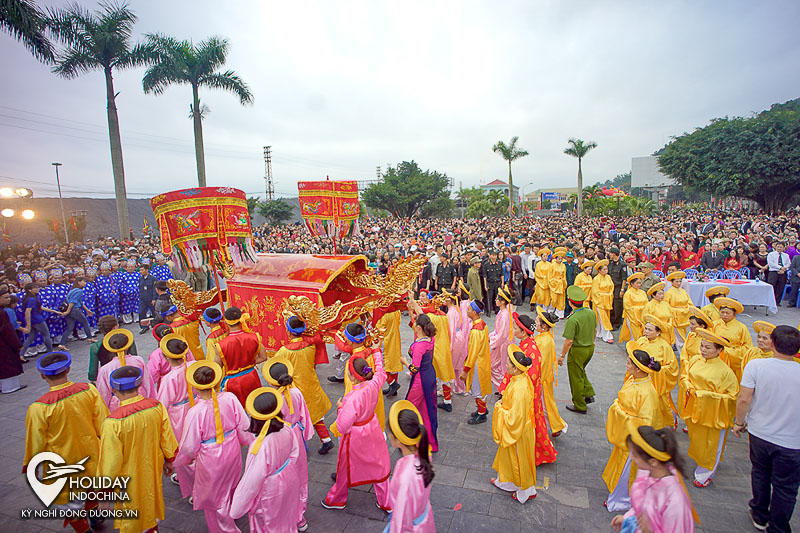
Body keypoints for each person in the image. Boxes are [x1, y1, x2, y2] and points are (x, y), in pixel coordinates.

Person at [23, 352, 108, 532]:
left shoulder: (38, 408)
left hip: (62, 463)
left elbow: (36, 441)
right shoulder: (89, 390)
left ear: (43, 376)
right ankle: (95, 518)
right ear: (68, 369)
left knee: (71, 501)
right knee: (91, 487)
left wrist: (32, 464)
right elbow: (103, 423)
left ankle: (83, 528)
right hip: (92, 452)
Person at [734, 325, 800, 533]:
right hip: (792, 440)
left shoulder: (756, 366)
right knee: (786, 488)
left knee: (760, 473)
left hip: (760, 433)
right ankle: (778, 526)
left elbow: (744, 398)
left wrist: (738, 422)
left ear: (772, 344)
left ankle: (760, 513)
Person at [97, 365, 179, 533]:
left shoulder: (112, 422)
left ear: (113, 389)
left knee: (132, 511)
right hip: (153, 466)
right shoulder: (156, 406)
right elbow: (167, 438)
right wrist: (170, 460)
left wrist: (104, 490)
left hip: (128, 475)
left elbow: (110, 460)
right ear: (140, 384)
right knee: (150, 499)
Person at [176, 361, 252, 533]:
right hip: (232, 447)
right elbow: (244, 424)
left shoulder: (195, 412)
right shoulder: (230, 398)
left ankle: (225, 528)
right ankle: (233, 512)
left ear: (195, 386)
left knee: (215, 496)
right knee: (231, 482)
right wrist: (242, 440)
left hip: (211, 456)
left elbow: (189, 445)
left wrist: (186, 459)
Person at [322, 340, 392, 511]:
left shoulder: (353, 397)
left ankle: (337, 499)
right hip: (372, 426)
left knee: (345, 466)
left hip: (356, 434)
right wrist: (376, 351)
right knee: (378, 464)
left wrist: (340, 409)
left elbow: (343, 426)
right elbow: (381, 371)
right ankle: (386, 501)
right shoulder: (374, 383)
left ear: (352, 377)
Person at [230, 387, 301, 532]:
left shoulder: (260, 446)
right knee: (287, 514)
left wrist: (236, 509)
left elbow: (252, 481)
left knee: (270, 522)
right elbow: (295, 453)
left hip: (271, 488)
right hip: (289, 477)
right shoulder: (286, 428)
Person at [603, 342, 660, 512]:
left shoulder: (647, 392)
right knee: (620, 466)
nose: (626, 365)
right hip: (624, 433)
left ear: (639, 369)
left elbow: (645, 422)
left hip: (633, 438)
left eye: (629, 363)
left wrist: (621, 413)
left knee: (626, 470)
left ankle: (621, 499)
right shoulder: (633, 380)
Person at [610, 422, 698, 533]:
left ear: (653, 462)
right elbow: (643, 507)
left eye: (635, 455)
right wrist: (627, 518)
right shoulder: (647, 474)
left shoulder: (675, 500)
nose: (631, 457)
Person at [262, 357, 314, 530]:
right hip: (295, 435)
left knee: (280, 475)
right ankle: (300, 516)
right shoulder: (296, 392)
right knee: (300, 475)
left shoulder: (271, 398)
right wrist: (304, 435)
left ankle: (282, 515)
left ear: (270, 381)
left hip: (278, 439)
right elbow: (304, 416)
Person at [683, 328, 738, 488]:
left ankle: (705, 473)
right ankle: (705, 460)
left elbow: (732, 396)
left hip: (714, 413)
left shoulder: (725, 372)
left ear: (719, 350)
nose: (703, 350)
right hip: (695, 408)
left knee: (712, 443)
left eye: (708, 347)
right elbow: (685, 376)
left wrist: (706, 395)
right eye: (702, 346)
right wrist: (688, 386)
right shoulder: (696, 360)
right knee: (699, 440)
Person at [272, 316, 335, 454]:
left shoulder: (284, 351)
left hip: (294, 388)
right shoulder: (311, 346)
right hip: (311, 383)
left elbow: (275, 366)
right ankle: (326, 440)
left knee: (295, 417)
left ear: (288, 332)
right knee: (316, 414)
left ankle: (299, 445)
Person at [491, 346, 538, 503]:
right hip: (519, 428)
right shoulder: (520, 379)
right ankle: (506, 482)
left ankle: (526, 491)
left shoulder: (520, 388)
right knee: (508, 457)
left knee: (520, 460)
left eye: (508, 364)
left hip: (519, 431)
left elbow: (515, 418)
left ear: (516, 369)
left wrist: (499, 409)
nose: (506, 366)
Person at [385, 400, 436, 532]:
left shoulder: (405, 477)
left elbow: (400, 520)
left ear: (396, 440)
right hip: (422, 518)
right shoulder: (424, 452)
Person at [400, 311, 439, 452]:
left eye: (415, 323)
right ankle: (429, 442)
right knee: (425, 409)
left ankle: (407, 439)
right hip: (429, 375)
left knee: (409, 407)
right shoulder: (430, 338)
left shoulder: (419, 346)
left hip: (420, 380)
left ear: (419, 328)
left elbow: (414, 369)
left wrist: (405, 362)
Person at [213, 306, 267, 407]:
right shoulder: (254, 337)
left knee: (237, 409)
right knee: (255, 406)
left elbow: (217, 367)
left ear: (226, 322)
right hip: (251, 377)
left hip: (233, 382)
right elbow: (263, 357)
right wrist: (249, 362)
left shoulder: (221, 345)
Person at [96, 327, 154, 411]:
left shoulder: (104, 369)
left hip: (118, 403)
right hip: (140, 397)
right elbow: (147, 383)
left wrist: (104, 412)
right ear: (128, 346)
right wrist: (152, 400)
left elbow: (104, 393)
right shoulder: (138, 360)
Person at [559, 285, 597, 414]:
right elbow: (594, 330)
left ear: (570, 302)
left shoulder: (573, 318)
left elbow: (569, 341)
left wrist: (562, 355)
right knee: (581, 371)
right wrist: (592, 342)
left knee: (575, 377)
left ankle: (580, 405)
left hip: (578, 350)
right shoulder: (590, 312)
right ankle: (588, 392)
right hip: (589, 348)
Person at [638, 315, 679, 430]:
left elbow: (672, 368)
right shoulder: (641, 341)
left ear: (658, 332)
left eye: (650, 330)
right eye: (646, 328)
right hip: (641, 378)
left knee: (657, 404)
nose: (646, 331)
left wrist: (659, 368)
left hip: (656, 381)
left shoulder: (664, 346)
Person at [531, 309, 567, 437]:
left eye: (537, 321)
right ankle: (556, 426)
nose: (535, 323)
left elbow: (541, 362)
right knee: (546, 403)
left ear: (544, 326)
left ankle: (558, 426)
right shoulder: (543, 337)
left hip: (542, 378)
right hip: (543, 377)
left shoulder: (545, 341)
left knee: (545, 404)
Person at [155, 334, 195, 445]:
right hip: (197, 403)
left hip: (179, 413)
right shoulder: (194, 365)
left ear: (167, 357)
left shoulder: (169, 378)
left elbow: (163, 404)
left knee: (183, 440)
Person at [677, 307, 712, 427]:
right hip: (687, 366)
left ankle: (696, 417)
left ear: (702, 326)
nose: (690, 326)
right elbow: (684, 351)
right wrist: (686, 362)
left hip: (699, 368)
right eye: (690, 323)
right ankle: (688, 417)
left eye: (693, 324)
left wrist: (692, 364)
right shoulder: (691, 335)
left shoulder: (707, 339)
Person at [460, 300, 492, 424]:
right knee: (480, 387)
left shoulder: (475, 331)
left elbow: (473, 353)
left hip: (477, 364)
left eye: (468, 309)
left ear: (474, 313)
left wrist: (465, 370)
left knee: (478, 389)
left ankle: (482, 413)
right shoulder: (483, 324)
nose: (467, 311)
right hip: (483, 360)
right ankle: (481, 409)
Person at [712, 296, 750, 382]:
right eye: (722, 312)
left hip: (734, 361)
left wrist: (729, 351)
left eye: (728, 313)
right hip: (716, 358)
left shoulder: (741, 327)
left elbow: (747, 347)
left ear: (734, 313)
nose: (725, 315)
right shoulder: (714, 324)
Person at [56, 277, 95, 350]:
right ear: (78, 282)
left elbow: (79, 301)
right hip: (74, 309)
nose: (85, 283)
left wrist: (87, 310)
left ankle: (62, 344)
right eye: (83, 281)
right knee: (85, 323)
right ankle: (90, 338)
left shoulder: (72, 290)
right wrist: (67, 311)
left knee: (69, 327)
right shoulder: (79, 291)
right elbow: (73, 302)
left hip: (70, 309)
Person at [19, 282, 55, 359]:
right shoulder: (32, 299)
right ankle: (51, 351)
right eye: (35, 288)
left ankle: (21, 354)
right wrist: (28, 324)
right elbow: (27, 311)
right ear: (29, 290)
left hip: (33, 319)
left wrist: (53, 311)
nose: (37, 289)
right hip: (37, 319)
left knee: (31, 337)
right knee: (46, 335)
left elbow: (40, 307)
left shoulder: (28, 298)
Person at [489, 285, 514, 388]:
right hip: (500, 342)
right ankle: (502, 387)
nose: (495, 301)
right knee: (498, 366)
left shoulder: (504, 315)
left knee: (496, 367)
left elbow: (502, 335)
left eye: (497, 299)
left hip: (501, 344)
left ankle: (503, 388)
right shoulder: (502, 312)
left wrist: (492, 341)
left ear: (503, 301)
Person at [0, 289, 25, 393]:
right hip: (4, 344)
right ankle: (10, 387)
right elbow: (7, 330)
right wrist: (17, 344)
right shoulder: (2, 313)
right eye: (5, 298)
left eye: (9, 297)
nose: (8, 300)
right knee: (8, 364)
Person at [665, 271, 691, 351]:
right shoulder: (669, 293)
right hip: (675, 317)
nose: (679, 283)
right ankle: (682, 353)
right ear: (672, 282)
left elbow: (689, 302)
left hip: (684, 316)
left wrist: (688, 309)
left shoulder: (683, 291)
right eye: (676, 281)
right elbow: (666, 306)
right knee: (679, 338)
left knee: (685, 335)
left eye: (680, 281)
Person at [619, 273, 647, 343]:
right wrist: (633, 316)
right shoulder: (628, 293)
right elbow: (627, 307)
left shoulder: (643, 292)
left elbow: (647, 303)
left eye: (640, 283)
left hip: (642, 315)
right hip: (632, 316)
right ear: (632, 283)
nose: (639, 285)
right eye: (637, 283)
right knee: (634, 333)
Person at [592, 259, 615, 344]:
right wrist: (603, 295)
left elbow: (612, 287)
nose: (606, 271)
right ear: (599, 270)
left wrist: (609, 294)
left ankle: (599, 332)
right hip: (600, 301)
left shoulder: (608, 277)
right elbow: (595, 292)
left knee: (604, 317)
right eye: (604, 269)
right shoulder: (596, 279)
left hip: (607, 300)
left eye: (606, 269)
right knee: (603, 318)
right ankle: (607, 336)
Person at [607, 247, 627, 330]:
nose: (609, 255)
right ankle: (611, 321)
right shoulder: (610, 263)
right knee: (611, 304)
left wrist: (622, 290)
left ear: (614, 254)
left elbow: (624, 279)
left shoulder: (622, 265)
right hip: (610, 287)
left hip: (618, 287)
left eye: (610, 253)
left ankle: (616, 323)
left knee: (617, 306)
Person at [766, 241, 790, 306]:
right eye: (778, 247)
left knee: (780, 287)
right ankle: (770, 301)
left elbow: (788, 264)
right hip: (773, 272)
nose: (779, 248)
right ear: (775, 247)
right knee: (772, 286)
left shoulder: (786, 255)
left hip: (783, 272)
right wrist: (780, 267)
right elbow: (771, 263)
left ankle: (777, 302)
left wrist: (784, 268)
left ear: (784, 248)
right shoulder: (771, 254)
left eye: (781, 247)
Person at [483, 249, 503, 316]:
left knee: (497, 297)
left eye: (495, 255)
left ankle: (497, 310)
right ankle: (488, 311)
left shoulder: (499, 263)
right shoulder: (486, 264)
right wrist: (485, 285)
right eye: (493, 255)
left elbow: (502, 274)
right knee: (489, 297)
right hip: (490, 283)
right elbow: (485, 276)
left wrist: (502, 283)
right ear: (490, 256)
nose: (494, 257)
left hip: (497, 282)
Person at [548, 248, 568, 318]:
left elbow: (564, 275)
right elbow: (549, 276)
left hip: (561, 284)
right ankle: (550, 311)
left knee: (561, 299)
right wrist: (553, 281)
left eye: (561, 258)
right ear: (556, 258)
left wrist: (564, 283)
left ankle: (559, 314)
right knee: (553, 299)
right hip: (554, 284)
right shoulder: (552, 265)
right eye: (559, 258)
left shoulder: (563, 265)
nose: (560, 260)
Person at [137, 263, 156, 334]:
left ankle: (155, 326)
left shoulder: (153, 279)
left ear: (147, 270)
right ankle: (144, 327)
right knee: (141, 312)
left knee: (154, 313)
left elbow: (155, 289)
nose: (140, 272)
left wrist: (154, 299)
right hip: (143, 299)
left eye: (142, 270)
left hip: (151, 298)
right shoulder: (140, 279)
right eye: (140, 270)